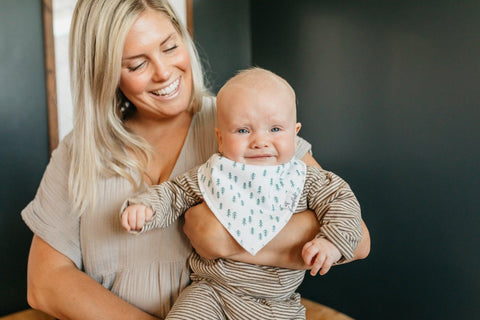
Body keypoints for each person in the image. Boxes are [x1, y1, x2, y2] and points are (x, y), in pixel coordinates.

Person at [21, 0, 370, 319]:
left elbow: (357, 241)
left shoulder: (246, 127)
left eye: (170, 46)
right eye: (137, 64)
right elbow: (45, 281)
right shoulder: (79, 151)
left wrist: (223, 239)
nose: (163, 71)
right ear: (106, 74)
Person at [120, 67, 363, 320]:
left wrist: (332, 242)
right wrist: (146, 208)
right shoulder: (214, 173)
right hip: (212, 294)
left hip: (277, 305)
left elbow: (342, 202)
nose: (260, 141)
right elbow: (175, 193)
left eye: (276, 129)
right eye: (243, 130)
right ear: (221, 139)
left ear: (296, 133)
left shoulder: (306, 178)